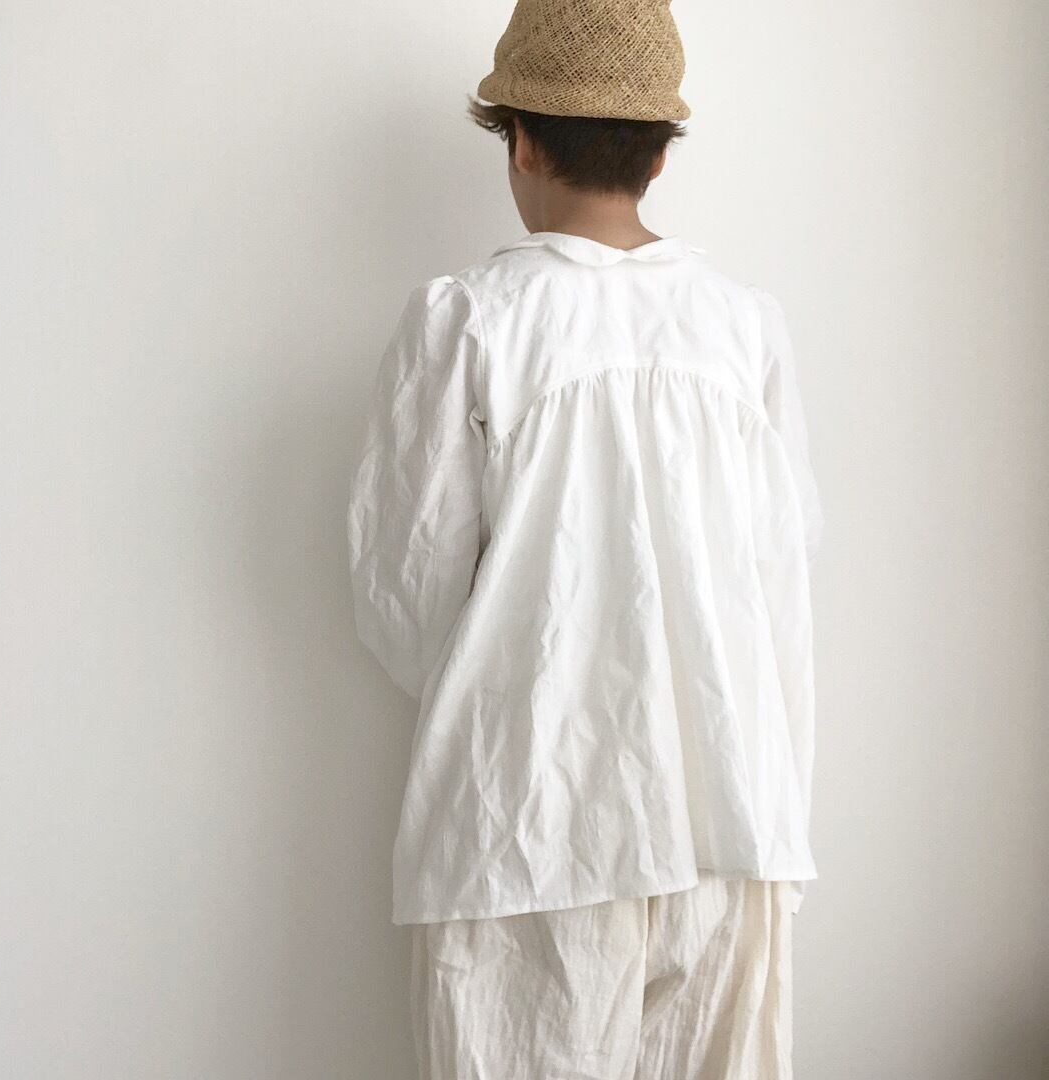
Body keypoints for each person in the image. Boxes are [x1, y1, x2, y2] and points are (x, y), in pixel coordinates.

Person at [346, 1, 824, 1076]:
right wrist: (777, 805)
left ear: (519, 139)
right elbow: (784, 589)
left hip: (527, 826)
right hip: (734, 821)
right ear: (660, 154)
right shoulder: (744, 329)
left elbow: (405, 603)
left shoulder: (470, 321)